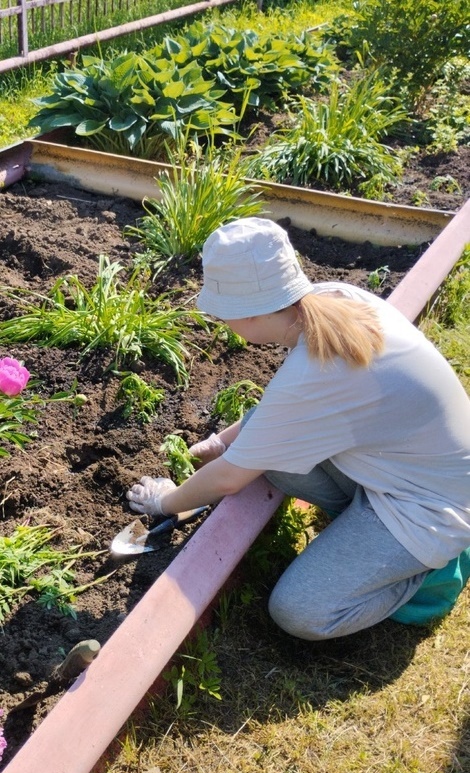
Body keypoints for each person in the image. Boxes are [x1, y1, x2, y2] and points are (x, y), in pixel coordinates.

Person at [127, 218, 470, 638]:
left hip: (431, 508)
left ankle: (427, 572)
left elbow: (233, 477)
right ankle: (366, 541)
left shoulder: (315, 373)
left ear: (247, 315)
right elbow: (273, 416)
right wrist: (219, 442)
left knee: (300, 612)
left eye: (223, 316)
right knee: (270, 456)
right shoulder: (335, 300)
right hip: (405, 470)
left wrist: (165, 503)